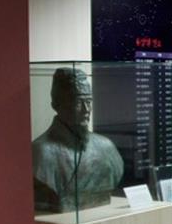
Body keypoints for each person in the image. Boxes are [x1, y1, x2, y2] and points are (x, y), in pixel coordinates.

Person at [32, 67, 123, 213]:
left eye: (89, 101)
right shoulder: (41, 152)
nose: (87, 109)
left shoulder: (106, 147)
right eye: (78, 102)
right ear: (56, 104)